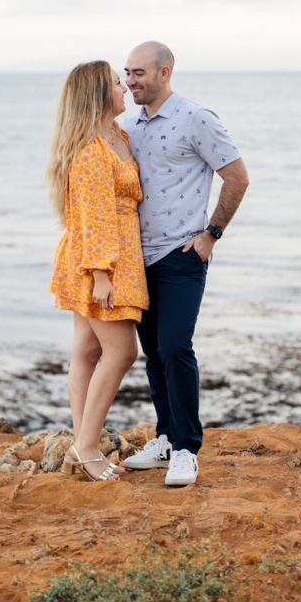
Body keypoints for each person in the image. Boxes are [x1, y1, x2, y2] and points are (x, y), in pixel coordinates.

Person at [121, 42, 249, 489]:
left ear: (164, 72)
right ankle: (164, 437)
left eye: (139, 72)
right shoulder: (129, 126)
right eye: (127, 73)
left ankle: (187, 449)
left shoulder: (197, 117)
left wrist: (210, 235)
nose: (131, 80)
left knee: (176, 347)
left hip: (181, 255)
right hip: (138, 257)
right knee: (154, 353)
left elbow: (237, 176)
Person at [48, 61, 147, 482]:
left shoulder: (118, 136)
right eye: (114, 82)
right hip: (100, 260)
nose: (124, 86)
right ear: (97, 94)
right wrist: (101, 274)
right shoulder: (92, 150)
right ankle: (87, 447)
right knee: (122, 352)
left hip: (107, 256)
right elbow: (95, 215)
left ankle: (81, 444)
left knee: (87, 353)